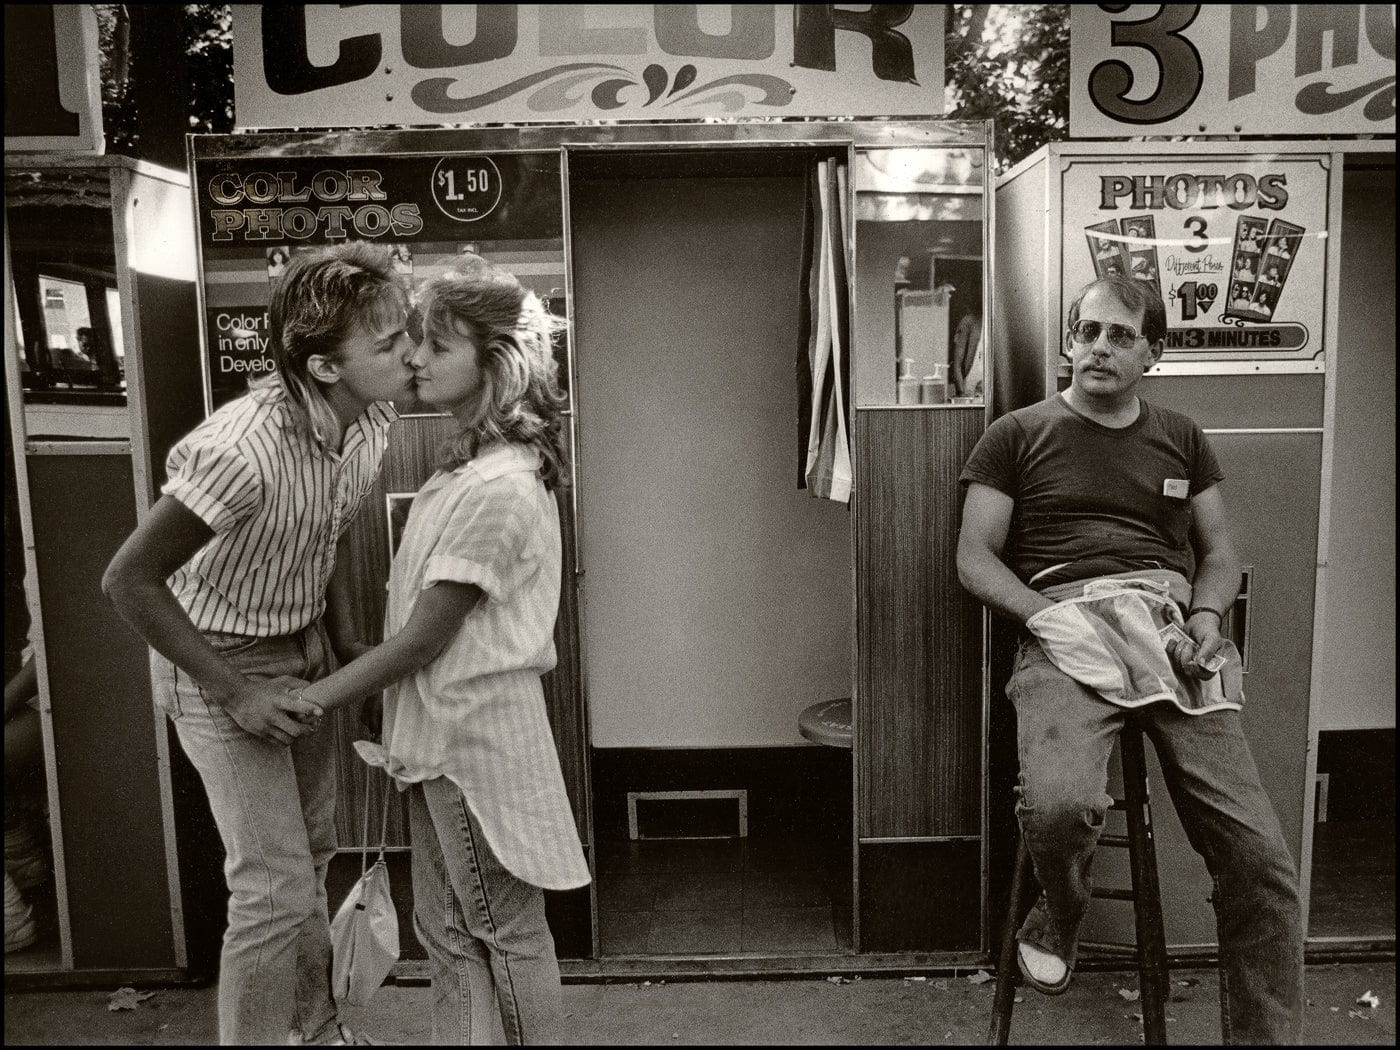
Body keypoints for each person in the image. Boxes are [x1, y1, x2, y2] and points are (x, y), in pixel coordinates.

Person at [956, 275, 1302, 1044]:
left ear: (1154, 352)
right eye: (1086, 332)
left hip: (1168, 633)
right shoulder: (1017, 434)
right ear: (1068, 341)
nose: (1097, 348)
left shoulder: (1181, 436)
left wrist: (1207, 616)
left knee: (1262, 865)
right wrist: (1050, 619)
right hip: (1064, 626)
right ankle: (1062, 910)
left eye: (1118, 335)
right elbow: (973, 559)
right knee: (1058, 807)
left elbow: (1221, 555)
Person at [102, 242, 417, 1045]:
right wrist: (237, 691)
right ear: (322, 367)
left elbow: (337, 530)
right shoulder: (240, 451)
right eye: (386, 344)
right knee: (270, 889)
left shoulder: (370, 418)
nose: (409, 351)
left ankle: (314, 1031)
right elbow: (129, 580)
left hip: (301, 647)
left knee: (309, 858)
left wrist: (353, 657)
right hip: (215, 663)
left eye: (405, 332)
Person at [299, 255, 589, 1045]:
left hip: (471, 741)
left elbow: (427, 636)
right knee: (450, 930)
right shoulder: (469, 468)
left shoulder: (498, 485)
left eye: (438, 345)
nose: (415, 359)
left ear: (497, 364)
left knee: (500, 929)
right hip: (441, 735)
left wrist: (313, 697)